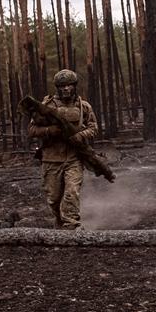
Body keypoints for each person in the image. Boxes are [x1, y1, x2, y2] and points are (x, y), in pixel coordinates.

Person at [28, 69, 98, 230]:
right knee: (53, 198)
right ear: (57, 87)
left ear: (74, 86)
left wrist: (80, 136)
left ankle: (71, 226)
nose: (66, 89)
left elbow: (93, 128)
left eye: (69, 85)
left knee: (72, 192)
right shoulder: (46, 107)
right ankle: (60, 222)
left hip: (74, 158)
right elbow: (31, 130)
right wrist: (51, 131)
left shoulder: (84, 106)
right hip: (51, 159)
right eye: (62, 86)